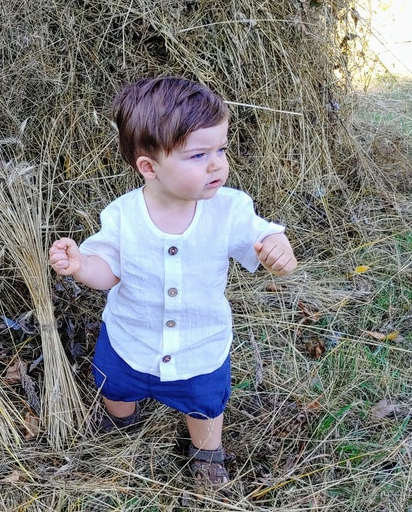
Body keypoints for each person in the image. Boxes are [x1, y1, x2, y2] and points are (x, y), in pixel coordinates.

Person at [48, 76, 297, 486]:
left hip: (199, 342)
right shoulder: (123, 216)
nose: (217, 164)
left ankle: (206, 452)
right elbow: (107, 270)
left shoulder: (229, 209)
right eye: (199, 154)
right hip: (131, 337)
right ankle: (120, 423)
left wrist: (275, 243)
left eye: (221, 149)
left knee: (204, 403)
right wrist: (79, 266)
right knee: (116, 384)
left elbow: (260, 232)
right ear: (149, 167)